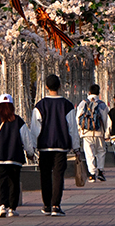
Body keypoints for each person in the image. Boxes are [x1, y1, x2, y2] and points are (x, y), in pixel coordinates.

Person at [28, 74, 78, 216]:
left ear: (46, 87)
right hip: (61, 145)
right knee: (58, 176)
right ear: (60, 86)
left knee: (45, 175)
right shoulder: (67, 105)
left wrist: (31, 147)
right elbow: (72, 128)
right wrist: (76, 147)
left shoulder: (40, 105)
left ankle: (46, 205)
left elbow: (35, 128)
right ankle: (56, 205)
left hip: (44, 145)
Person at [0, 94, 29, 218]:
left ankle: (2, 206)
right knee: (14, 182)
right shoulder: (18, 120)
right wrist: (30, 152)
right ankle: (12, 208)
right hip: (15, 156)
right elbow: (26, 138)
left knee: (1, 182)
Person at [75, 84, 110, 184]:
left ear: (89, 92)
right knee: (101, 152)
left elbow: (78, 118)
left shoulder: (83, 103)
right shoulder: (102, 105)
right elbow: (105, 119)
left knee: (89, 153)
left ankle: (91, 174)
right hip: (99, 132)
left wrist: (80, 131)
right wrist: (106, 133)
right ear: (99, 93)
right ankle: (100, 171)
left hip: (86, 133)